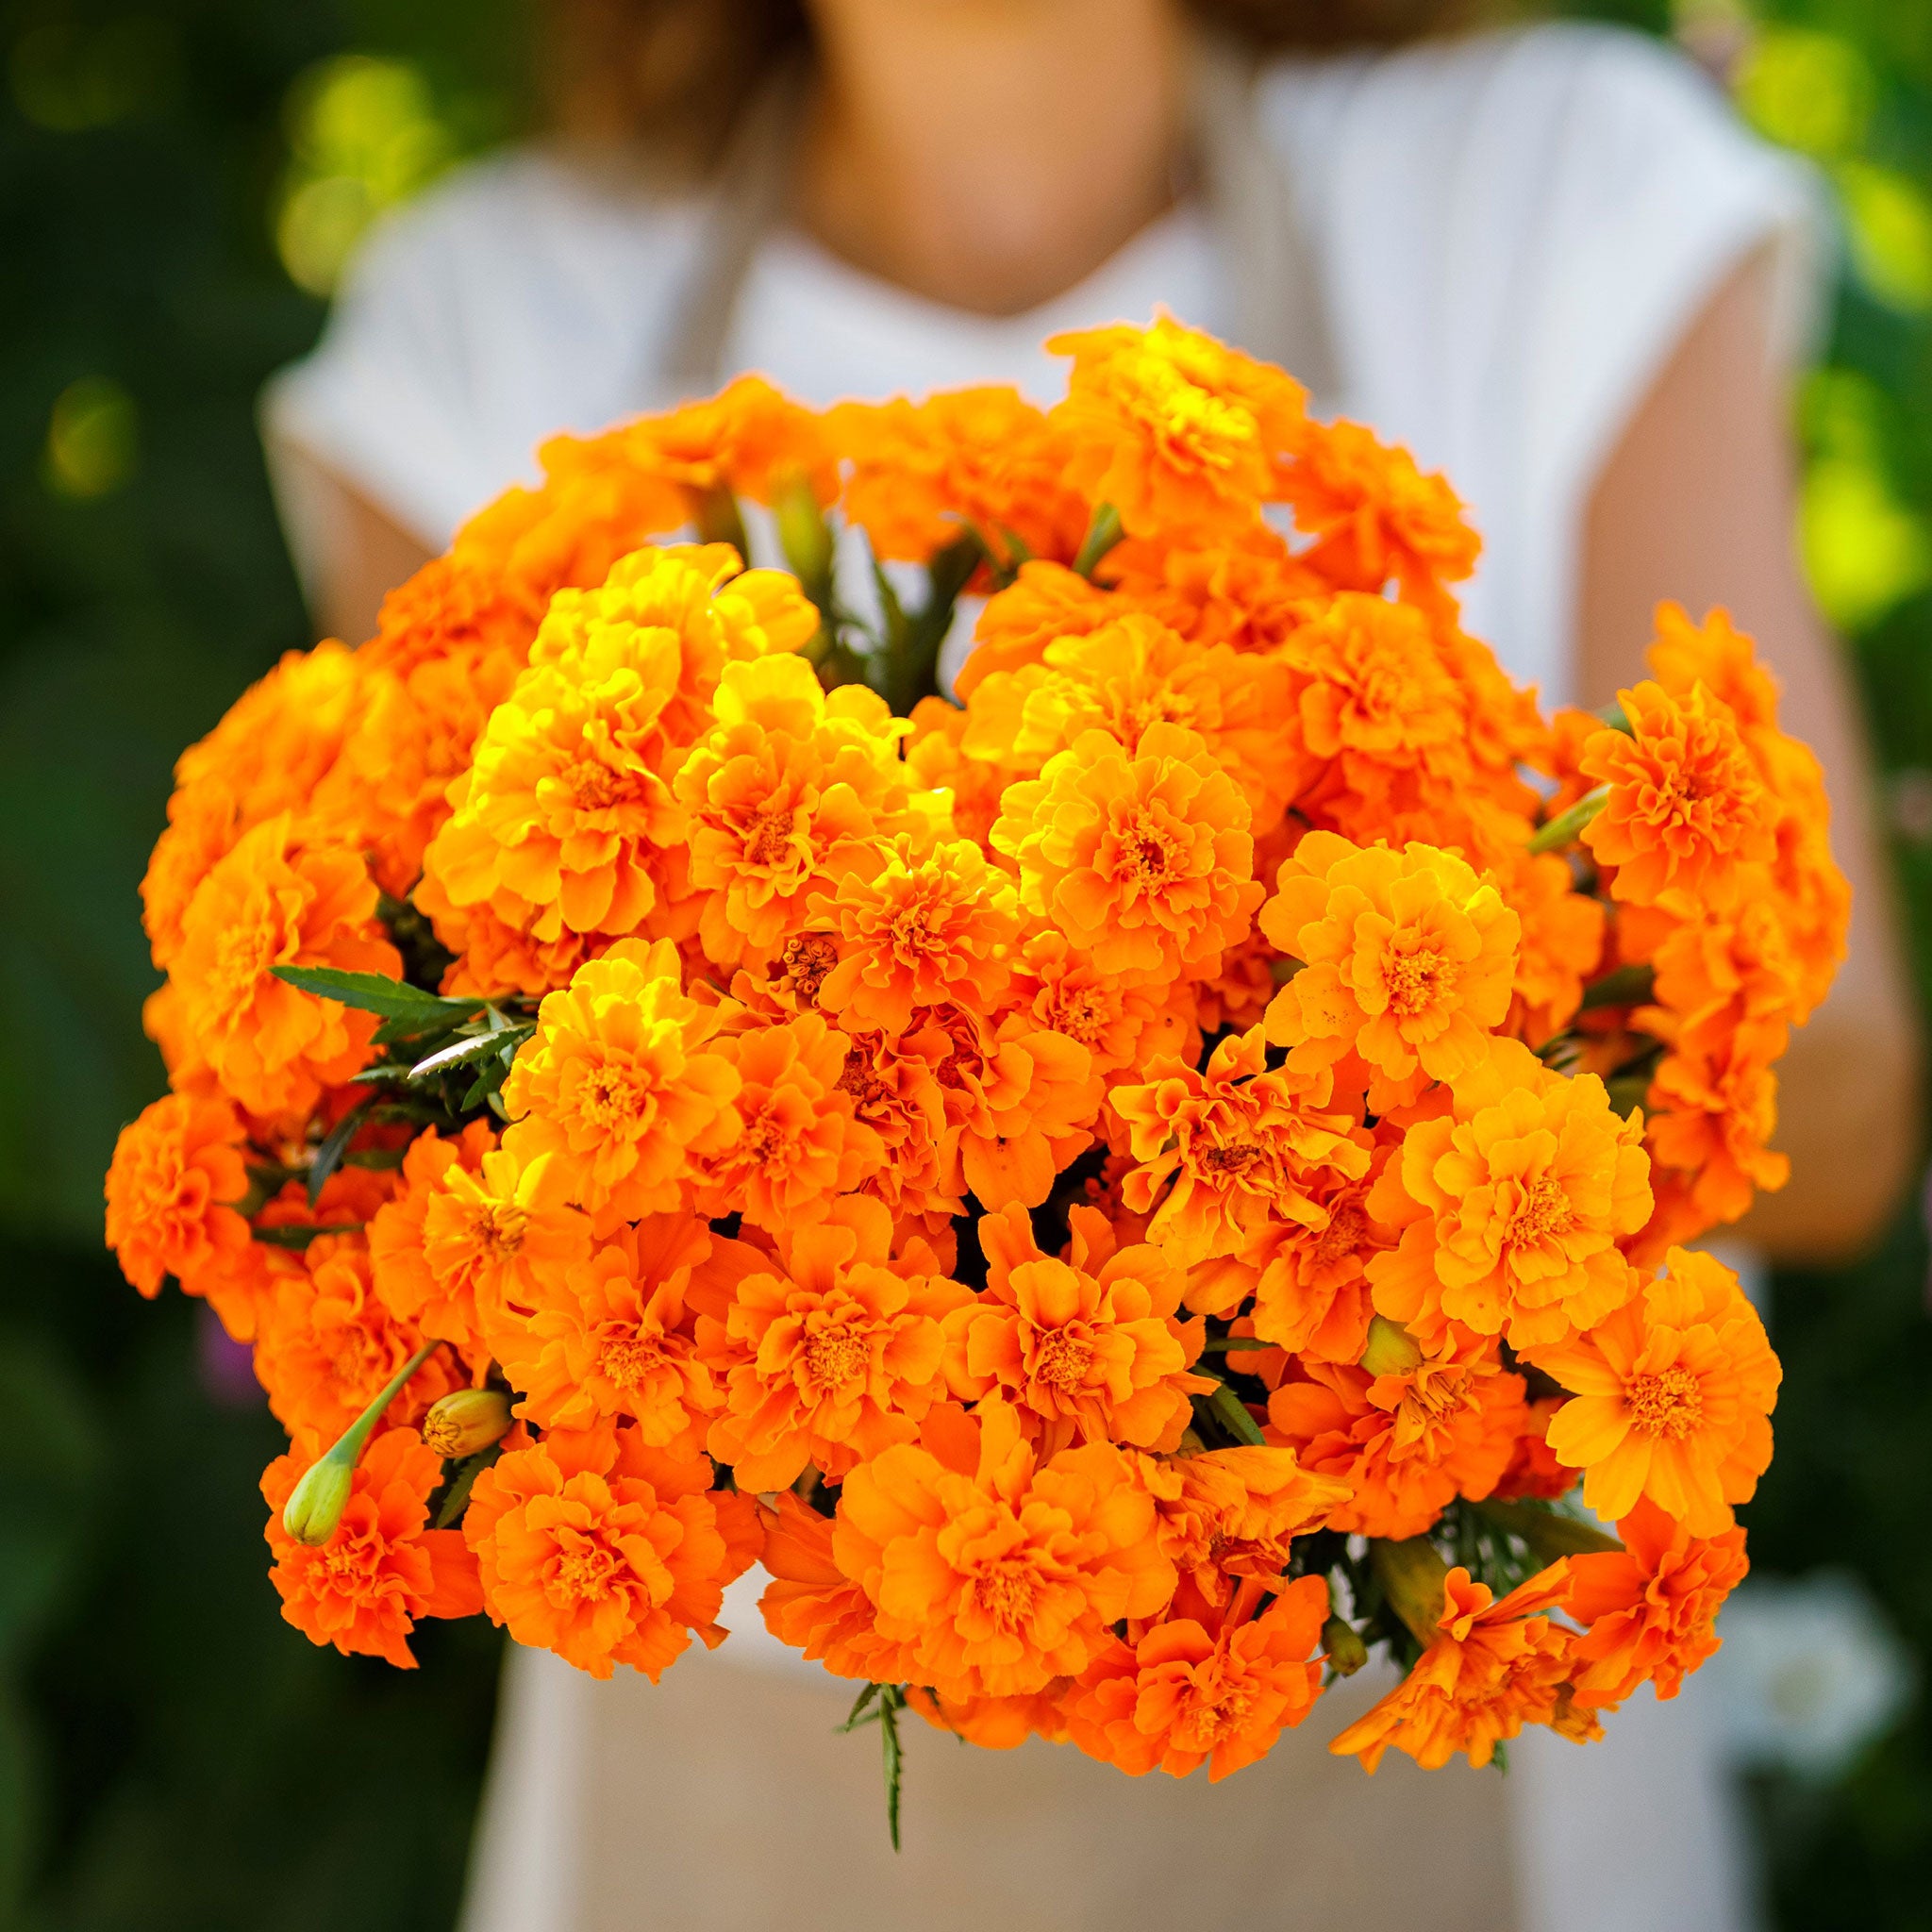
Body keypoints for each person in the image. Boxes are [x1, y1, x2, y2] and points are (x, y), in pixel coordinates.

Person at [261, 3, 1921, 1927]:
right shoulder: (486, 307)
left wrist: (1410, 1103)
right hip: (720, 1825)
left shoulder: (1550, 179)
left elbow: (1843, 1115)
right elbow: (413, 1155)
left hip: (1458, 1787)